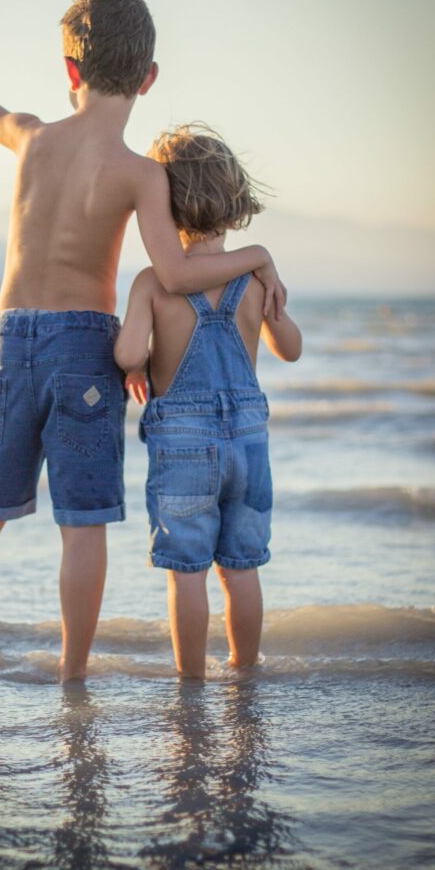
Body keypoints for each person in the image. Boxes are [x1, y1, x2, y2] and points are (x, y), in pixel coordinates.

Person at [0, 0, 285, 681]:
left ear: (69, 70)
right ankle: (72, 673)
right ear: (148, 78)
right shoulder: (139, 174)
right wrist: (254, 257)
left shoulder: (31, 136)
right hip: (83, 346)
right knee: (83, 520)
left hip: (11, 338)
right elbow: (172, 270)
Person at [115, 124, 302, 680]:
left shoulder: (153, 281)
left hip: (183, 447)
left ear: (163, 206)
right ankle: (244, 671)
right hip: (249, 442)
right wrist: (274, 301)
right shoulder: (252, 277)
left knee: (187, 571)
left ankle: (191, 684)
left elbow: (127, 351)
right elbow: (290, 349)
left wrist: (136, 363)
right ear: (235, 200)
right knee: (241, 569)